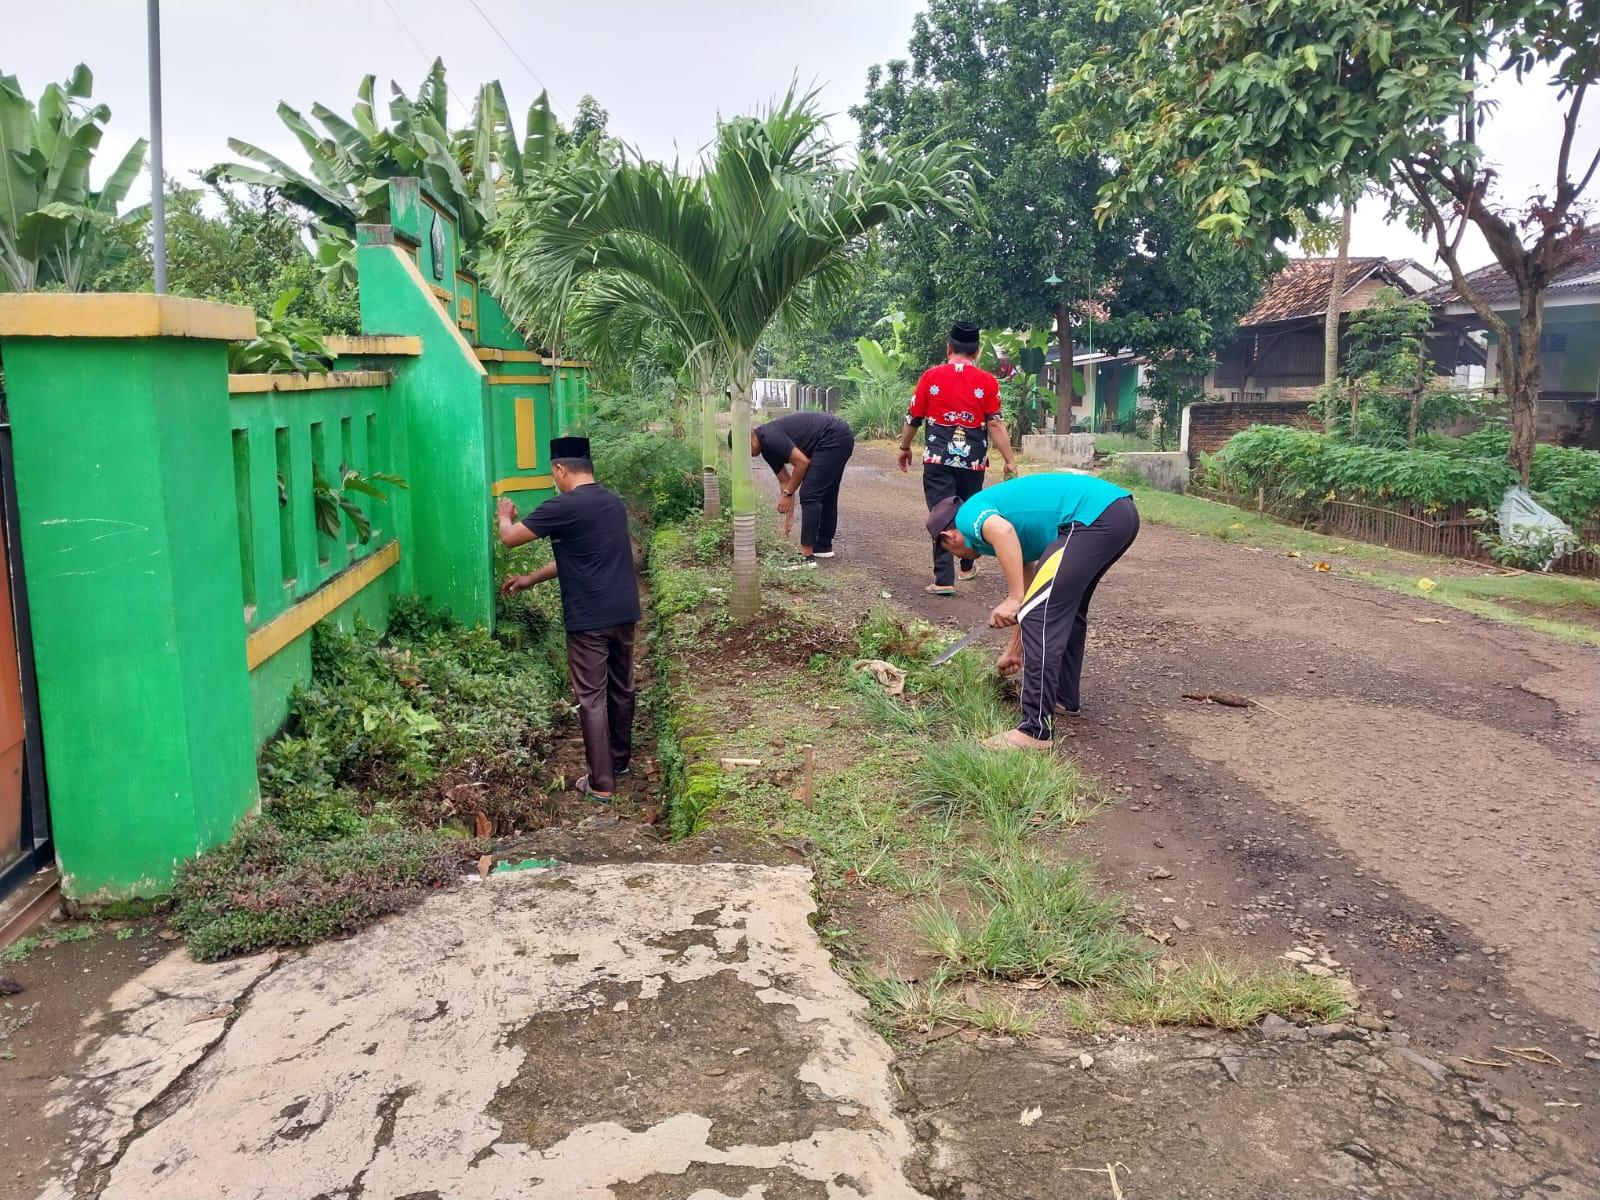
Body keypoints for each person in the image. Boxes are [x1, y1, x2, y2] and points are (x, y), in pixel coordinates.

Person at [927, 471, 1139, 751]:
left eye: (950, 552)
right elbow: (1032, 597)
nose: (957, 558)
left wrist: (1014, 599)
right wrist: (1014, 649)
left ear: (949, 536)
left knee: (1041, 616)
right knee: (1065, 610)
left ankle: (1034, 730)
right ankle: (1064, 698)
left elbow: (1003, 535)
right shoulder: (1007, 528)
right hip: (1116, 512)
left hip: (1092, 517)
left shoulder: (968, 515)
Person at [497, 436, 640, 800]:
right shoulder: (612, 503)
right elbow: (579, 557)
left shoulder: (562, 506)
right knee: (621, 687)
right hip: (624, 611)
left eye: (552, 473)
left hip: (588, 618)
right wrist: (530, 579)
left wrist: (504, 516)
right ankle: (619, 761)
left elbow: (511, 538)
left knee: (591, 696)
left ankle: (601, 784)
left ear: (560, 469)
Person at [898, 321, 1018, 597]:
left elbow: (913, 417)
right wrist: (1009, 460)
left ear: (949, 348)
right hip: (972, 463)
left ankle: (943, 580)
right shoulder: (987, 381)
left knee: (943, 513)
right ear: (977, 352)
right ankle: (966, 566)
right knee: (968, 510)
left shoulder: (931, 376)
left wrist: (905, 446)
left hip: (938, 460)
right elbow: (996, 425)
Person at [741, 410, 856, 569]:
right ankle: (822, 546)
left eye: (743, 453)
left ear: (748, 441)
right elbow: (786, 481)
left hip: (833, 435)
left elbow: (802, 463)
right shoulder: (766, 449)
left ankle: (806, 557)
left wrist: (788, 494)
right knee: (826, 493)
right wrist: (789, 517)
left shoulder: (769, 437)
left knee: (810, 494)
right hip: (836, 437)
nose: (748, 457)